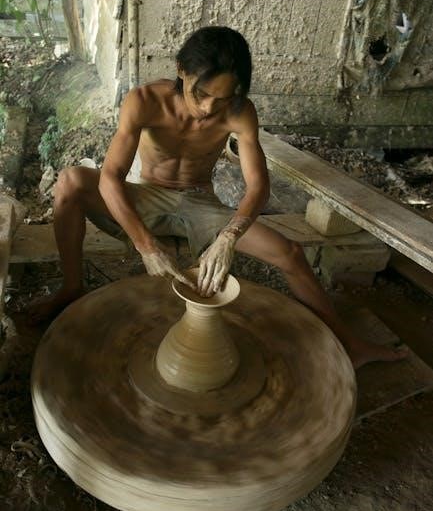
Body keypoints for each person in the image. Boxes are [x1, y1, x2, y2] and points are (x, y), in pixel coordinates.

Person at [30, 26, 406, 368]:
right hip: (147, 195)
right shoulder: (144, 100)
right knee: (71, 181)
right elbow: (111, 178)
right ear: (181, 70)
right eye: (202, 93)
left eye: (223, 98)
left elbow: (258, 187)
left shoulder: (240, 113)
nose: (209, 108)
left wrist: (229, 236)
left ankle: (349, 344)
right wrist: (147, 246)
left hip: (199, 202)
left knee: (290, 252)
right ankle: (71, 287)